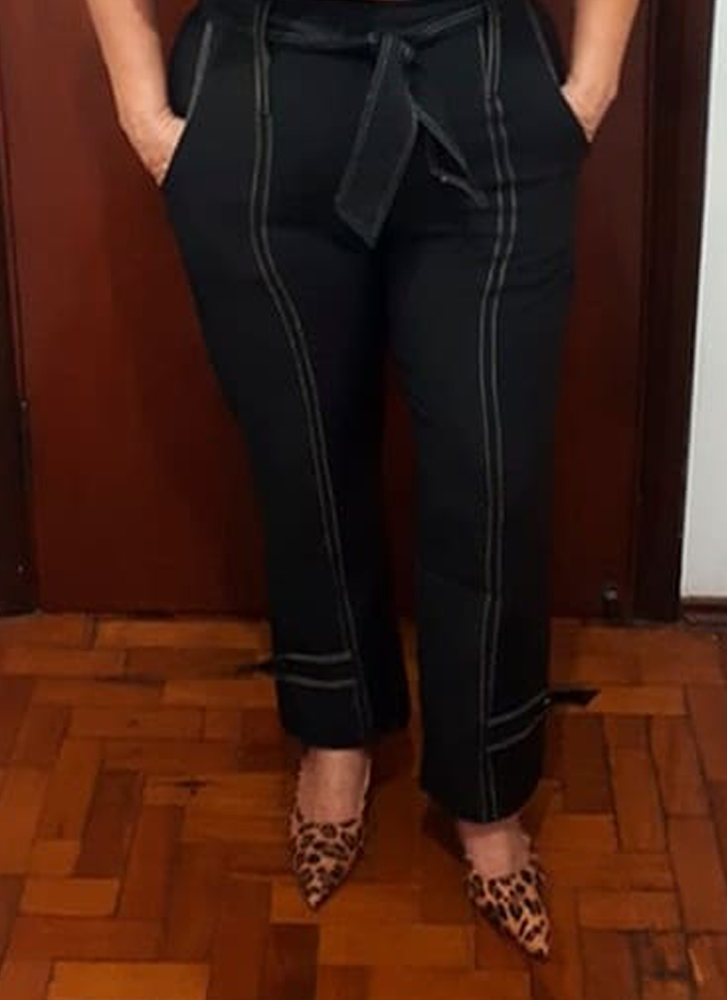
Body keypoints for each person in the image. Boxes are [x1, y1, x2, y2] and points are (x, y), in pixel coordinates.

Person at [86, 0, 638, 959]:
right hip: (261, 87)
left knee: (493, 472)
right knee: (299, 453)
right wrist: (143, 111)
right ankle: (335, 733)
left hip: (481, 76)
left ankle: (488, 786)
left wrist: (593, 83)